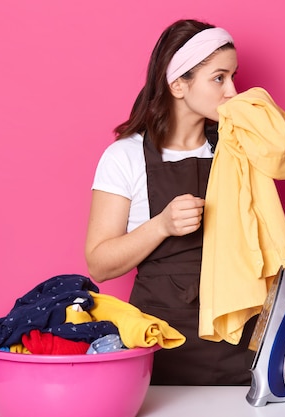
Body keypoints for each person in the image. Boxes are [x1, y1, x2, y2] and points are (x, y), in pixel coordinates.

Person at [85, 19, 252, 385]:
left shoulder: (238, 152)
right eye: (219, 78)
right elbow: (99, 264)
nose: (233, 91)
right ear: (178, 84)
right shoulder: (124, 157)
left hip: (238, 349)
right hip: (159, 344)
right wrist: (160, 225)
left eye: (233, 76)